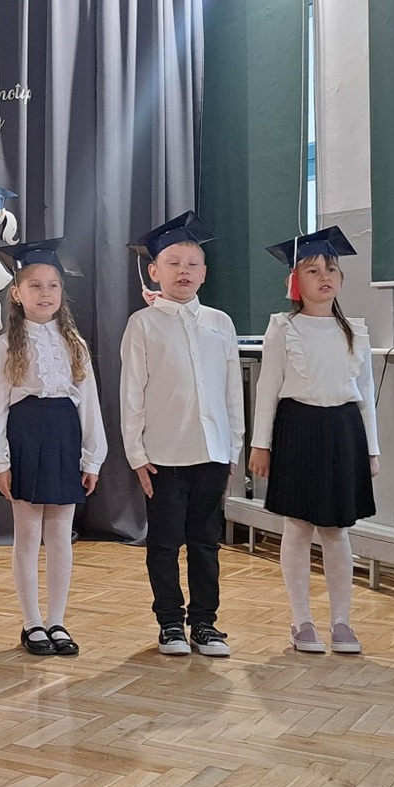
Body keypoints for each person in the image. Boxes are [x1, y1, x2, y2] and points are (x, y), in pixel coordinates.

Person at [248, 226, 379, 655]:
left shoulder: (355, 331)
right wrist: (261, 444)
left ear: (341, 278)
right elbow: (268, 387)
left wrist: (372, 450)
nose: (324, 276)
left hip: (343, 431)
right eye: (312, 270)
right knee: (298, 526)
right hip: (297, 428)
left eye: (331, 269)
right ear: (295, 281)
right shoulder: (283, 328)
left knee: (336, 529)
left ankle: (342, 620)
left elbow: (365, 396)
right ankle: (301, 620)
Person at [119, 212, 245, 658]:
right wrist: (136, 454)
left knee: (206, 542)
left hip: (212, 453)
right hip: (164, 456)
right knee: (164, 542)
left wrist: (233, 449)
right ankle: (170, 622)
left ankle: (205, 623)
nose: (183, 271)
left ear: (205, 273)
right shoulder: (143, 324)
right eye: (173, 263)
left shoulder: (220, 323)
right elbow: (131, 393)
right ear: (155, 271)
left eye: (192, 264)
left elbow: (232, 391)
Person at [0, 241, 105, 656]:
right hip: (26, 435)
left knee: (60, 534)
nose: (45, 293)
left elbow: (89, 404)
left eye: (53, 285)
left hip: (64, 435)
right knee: (28, 533)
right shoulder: (7, 344)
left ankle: (57, 620)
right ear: (17, 293)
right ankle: (32, 622)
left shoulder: (74, 343)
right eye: (35, 285)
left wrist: (93, 457)